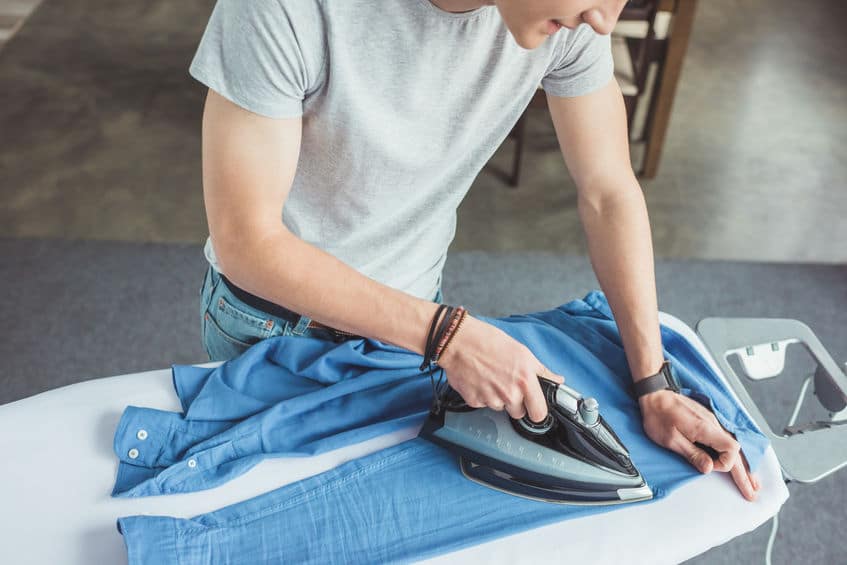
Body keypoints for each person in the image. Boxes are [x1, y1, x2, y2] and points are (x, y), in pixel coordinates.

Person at [190, 0, 760, 501]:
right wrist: (448, 336)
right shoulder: (282, 7)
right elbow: (248, 241)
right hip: (274, 320)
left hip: (415, 309)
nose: (605, 19)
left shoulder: (575, 20)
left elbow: (609, 192)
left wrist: (653, 384)